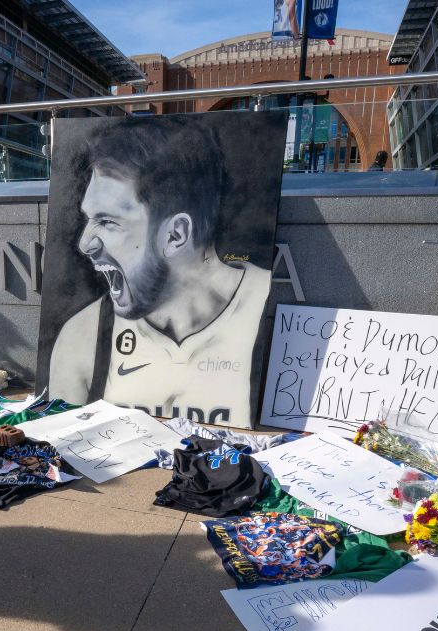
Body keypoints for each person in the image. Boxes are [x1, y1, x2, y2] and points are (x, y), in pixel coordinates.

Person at [48, 117, 271, 427]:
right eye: (89, 219)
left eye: (108, 221)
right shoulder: (82, 337)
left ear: (176, 234)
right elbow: (59, 447)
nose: (85, 243)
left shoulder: (267, 313)